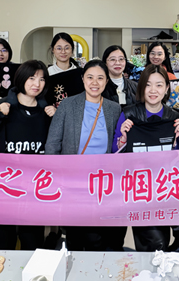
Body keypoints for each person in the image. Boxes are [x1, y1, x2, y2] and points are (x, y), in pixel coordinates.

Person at [0, 60, 54, 250]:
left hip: (34, 189)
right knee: (2, 242)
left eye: (42, 79)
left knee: (33, 243)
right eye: (31, 78)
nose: (37, 84)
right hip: (3, 187)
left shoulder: (46, 112)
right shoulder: (1, 106)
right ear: (21, 78)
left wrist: (55, 117)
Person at [45, 60, 122, 251]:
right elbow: (53, 142)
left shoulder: (114, 108)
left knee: (96, 234)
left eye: (100, 78)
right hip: (73, 180)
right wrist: (54, 175)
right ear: (82, 79)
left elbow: (116, 145)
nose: (95, 82)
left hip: (101, 181)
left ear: (106, 81)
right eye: (90, 77)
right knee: (74, 232)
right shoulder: (67, 105)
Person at [113, 64, 179, 251]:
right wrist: (123, 139)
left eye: (159, 85)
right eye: (148, 85)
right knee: (147, 242)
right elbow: (114, 153)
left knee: (158, 243)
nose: (153, 90)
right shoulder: (128, 114)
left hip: (162, 189)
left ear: (166, 89)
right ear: (141, 87)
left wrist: (177, 141)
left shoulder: (174, 119)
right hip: (136, 188)